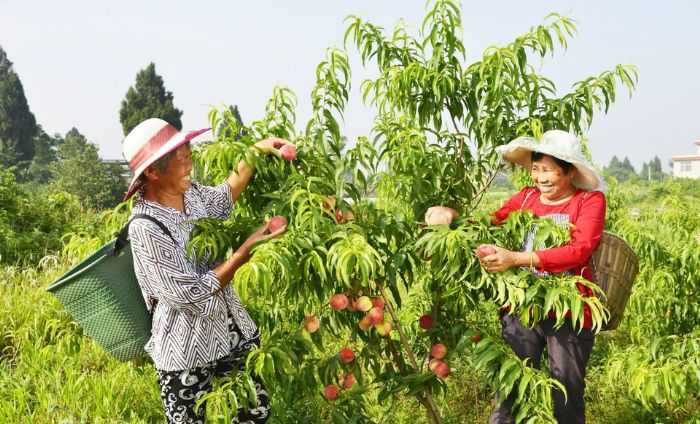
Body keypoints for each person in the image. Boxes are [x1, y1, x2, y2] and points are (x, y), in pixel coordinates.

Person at [426, 130, 606, 423]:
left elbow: (579, 250)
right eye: (536, 170)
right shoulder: (526, 199)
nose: (540, 178)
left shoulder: (588, 201)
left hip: (569, 309)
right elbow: (490, 224)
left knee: (567, 394)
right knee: (509, 389)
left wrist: (517, 259)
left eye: (548, 171)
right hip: (522, 307)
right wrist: (452, 217)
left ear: (569, 170)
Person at [122, 118, 291, 424]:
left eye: (189, 156)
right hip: (185, 348)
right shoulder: (146, 227)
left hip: (231, 331)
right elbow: (187, 294)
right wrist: (244, 252)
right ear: (152, 172)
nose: (190, 166)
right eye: (181, 161)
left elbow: (223, 199)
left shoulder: (192, 194)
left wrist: (256, 151)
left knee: (254, 415)